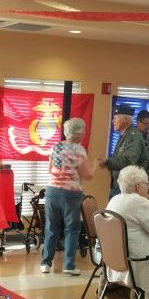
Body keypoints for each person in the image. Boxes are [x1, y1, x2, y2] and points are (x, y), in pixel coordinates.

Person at [41, 117, 99, 276]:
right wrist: (95, 166)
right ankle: (69, 265)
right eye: (84, 131)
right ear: (80, 133)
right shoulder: (79, 150)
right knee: (72, 229)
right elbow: (87, 175)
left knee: (51, 228)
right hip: (71, 193)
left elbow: (49, 169)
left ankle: (45, 263)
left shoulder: (56, 147)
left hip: (52, 191)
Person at [105, 165, 149, 299]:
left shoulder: (114, 200)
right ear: (138, 186)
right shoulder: (139, 202)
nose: (148, 188)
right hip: (138, 262)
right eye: (147, 184)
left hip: (116, 260)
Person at [97, 104, 147, 200]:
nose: (113, 121)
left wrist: (107, 162)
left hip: (128, 188)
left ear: (125, 119)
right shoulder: (125, 136)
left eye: (115, 118)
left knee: (118, 215)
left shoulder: (133, 137)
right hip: (120, 186)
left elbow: (128, 161)